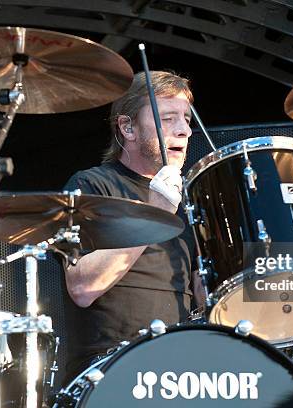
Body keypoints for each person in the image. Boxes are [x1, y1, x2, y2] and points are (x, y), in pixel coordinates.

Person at [61, 70, 196, 382]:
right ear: (128, 127)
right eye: (168, 118)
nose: (183, 130)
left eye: (186, 119)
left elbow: (206, 299)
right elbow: (82, 287)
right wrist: (154, 214)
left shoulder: (189, 199)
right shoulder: (92, 185)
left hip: (184, 368)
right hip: (111, 368)